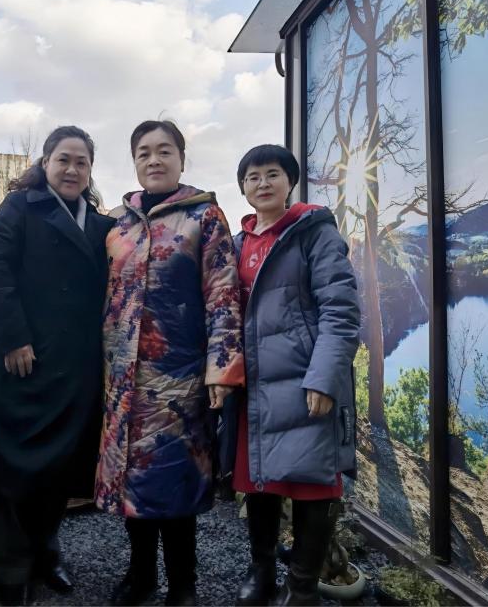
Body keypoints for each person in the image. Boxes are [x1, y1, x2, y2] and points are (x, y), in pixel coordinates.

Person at [96, 120, 245, 606]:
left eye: (164, 150)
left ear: (181, 158)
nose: (154, 160)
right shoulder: (118, 223)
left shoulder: (204, 216)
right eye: (144, 152)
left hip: (179, 376)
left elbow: (223, 294)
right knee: (131, 482)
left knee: (177, 480)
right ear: (134, 162)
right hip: (122, 379)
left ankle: (183, 585)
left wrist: (221, 368)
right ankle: (140, 577)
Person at [0, 126, 116, 606]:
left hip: (75, 368)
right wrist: (14, 338)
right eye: (63, 160)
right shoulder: (20, 207)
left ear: (90, 170)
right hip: (23, 362)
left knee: (60, 467)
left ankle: (46, 554)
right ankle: (10, 570)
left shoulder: (99, 224)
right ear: (46, 163)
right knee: (16, 469)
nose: (72, 169)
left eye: (81, 162)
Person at [226, 144, 360, 607]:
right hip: (254, 387)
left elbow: (340, 311)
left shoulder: (313, 233)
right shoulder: (238, 244)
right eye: (252, 177)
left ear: (290, 182)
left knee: (312, 485)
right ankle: (262, 572)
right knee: (258, 482)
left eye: (272, 174)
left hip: (304, 382)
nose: (262, 183)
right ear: (243, 188)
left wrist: (323, 378)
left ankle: (301, 588)